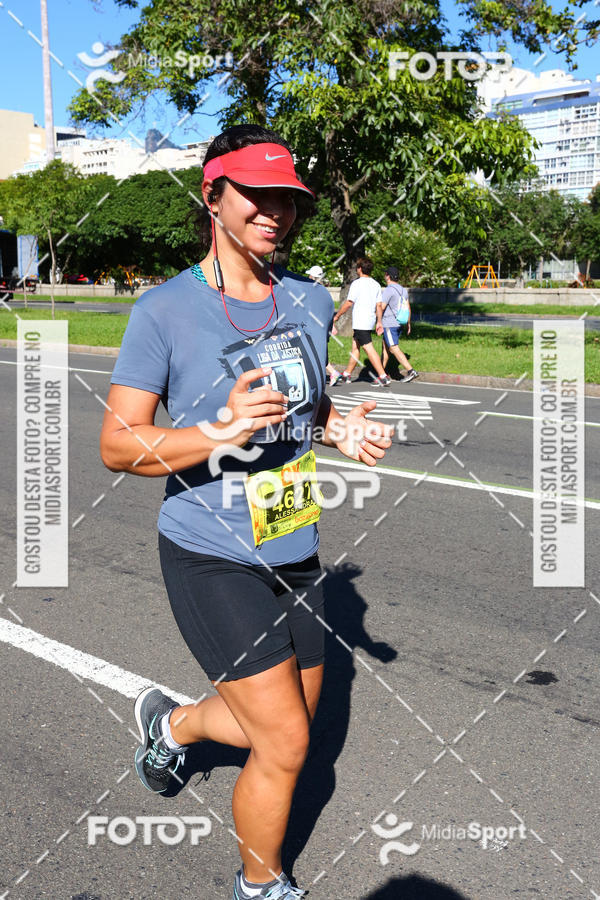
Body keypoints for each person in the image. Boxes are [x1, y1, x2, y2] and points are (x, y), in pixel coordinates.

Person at [99, 124, 393, 900]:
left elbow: (309, 404)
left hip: (295, 545)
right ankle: (261, 889)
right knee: (289, 742)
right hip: (210, 552)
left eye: (287, 199)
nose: (275, 212)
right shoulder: (163, 312)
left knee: (279, 725)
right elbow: (119, 445)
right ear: (213, 197)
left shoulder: (309, 297)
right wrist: (215, 431)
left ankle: (175, 727)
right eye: (255, 196)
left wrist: (342, 425)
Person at [332, 257, 390, 386]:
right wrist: (379, 322)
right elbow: (379, 306)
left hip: (361, 321)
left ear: (359, 269)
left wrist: (337, 316)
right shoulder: (375, 284)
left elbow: (348, 303)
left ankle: (382, 376)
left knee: (368, 348)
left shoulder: (357, 284)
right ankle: (347, 374)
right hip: (369, 320)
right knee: (355, 347)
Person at [376, 266, 419, 383]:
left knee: (393, 348)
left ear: (388, 276)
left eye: (385, 274)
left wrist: (377, 321)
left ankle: (410, 371)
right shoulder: (403, 290)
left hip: (389, 324)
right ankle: (381, 375)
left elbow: (382, 307)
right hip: (400, 323)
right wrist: (409, 323)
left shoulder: (389, 290)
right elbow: (407, 307)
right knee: (385, 349)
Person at [305, 264, 340, 387]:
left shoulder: (309, 290)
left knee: (311, 350)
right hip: (322, 325)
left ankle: (329, 373)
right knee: (318, 351)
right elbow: (329, 309)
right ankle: (331, 372)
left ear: (312, 276)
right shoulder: (324, 291)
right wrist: (332, 325)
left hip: (312, 325)